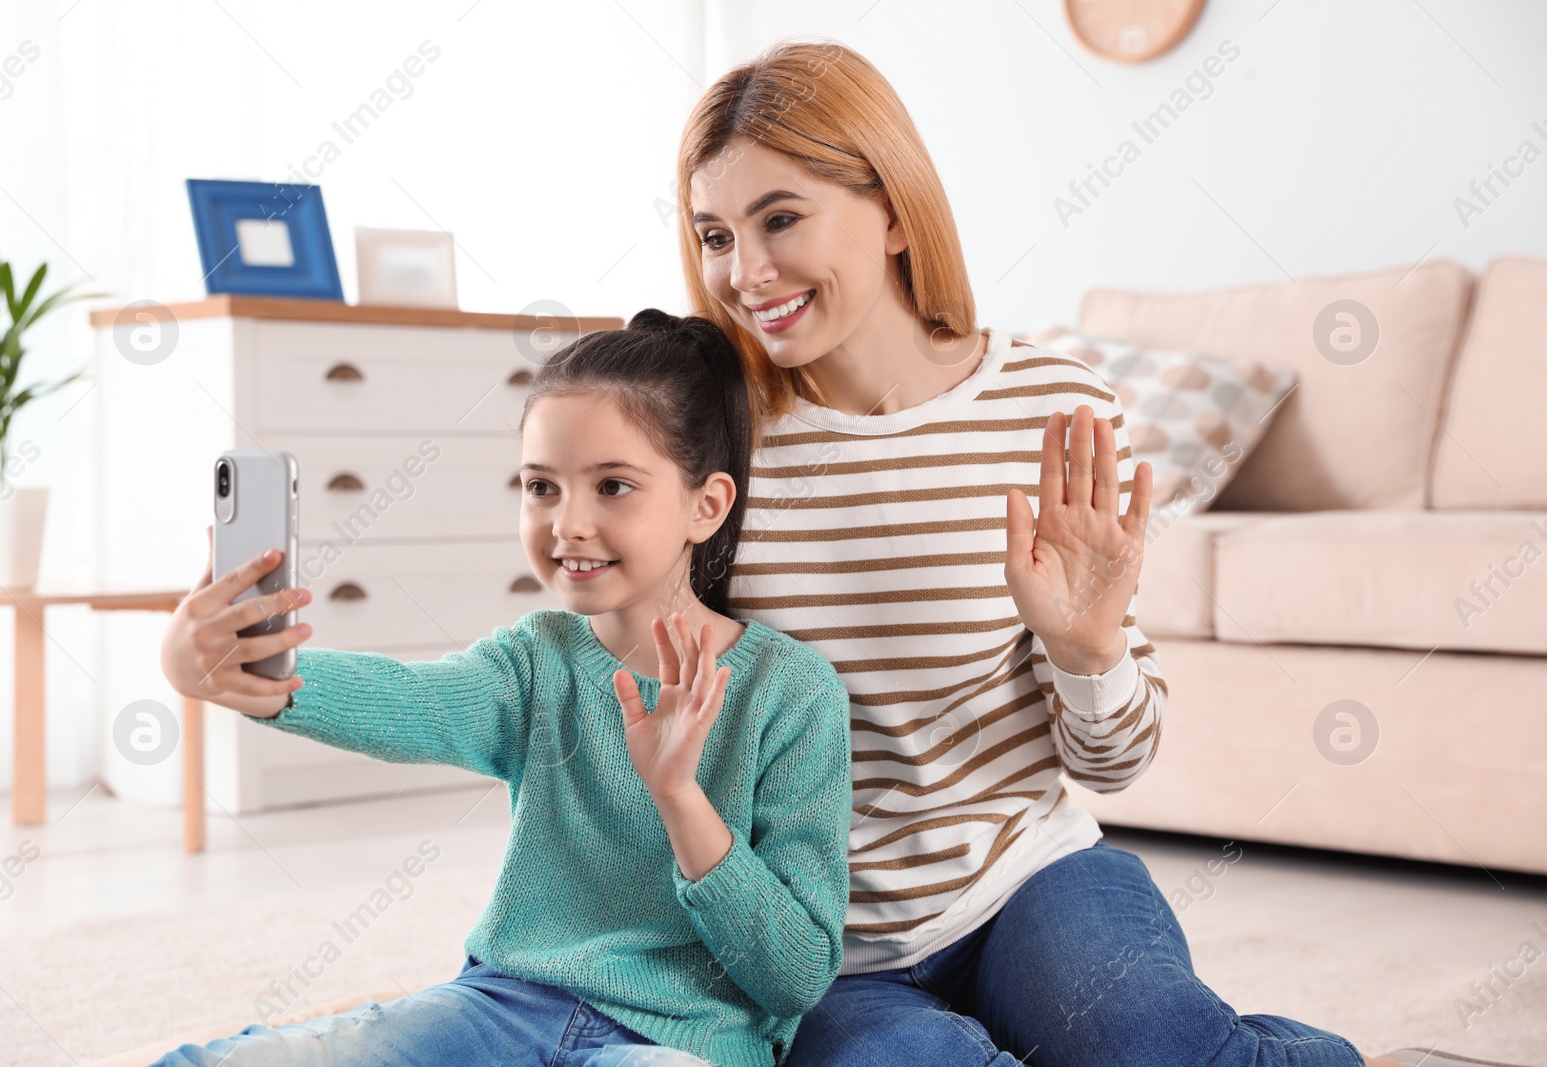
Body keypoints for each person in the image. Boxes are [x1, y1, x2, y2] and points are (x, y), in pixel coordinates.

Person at [671, 37, 1458, 1067]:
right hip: (822, 946)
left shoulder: (1050, 403)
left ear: (895, 209)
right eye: (714, 235)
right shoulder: (708, 439)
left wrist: (1088, 648)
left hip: (1025, 880)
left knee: (1160, 1050)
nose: (745, 271)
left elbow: (1114, 761)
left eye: (780, 219)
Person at [156, 308, 853, 1067]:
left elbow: (795, 975)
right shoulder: (535, 662)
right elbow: (412, 701)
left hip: (683, 1040)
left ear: (705, 504)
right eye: (541, 486)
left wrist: (681, 797)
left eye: (612, 485)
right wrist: (248, 669)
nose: (568, 523)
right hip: (503, 1008)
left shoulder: (793, 692)